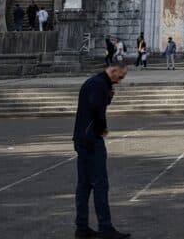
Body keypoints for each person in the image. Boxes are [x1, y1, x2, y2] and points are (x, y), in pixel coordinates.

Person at [73, 56, 131, 239]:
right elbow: (97, 110)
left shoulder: (95, 82)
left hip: (81, 138)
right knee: (100, 184)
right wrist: (102, 129)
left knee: (84, 184)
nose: (120, 81)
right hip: (91, 140)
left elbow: (96, 105)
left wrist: (109, 97)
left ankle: (81, 227)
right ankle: (105, 227)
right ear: (113, 71)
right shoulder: (99, 84)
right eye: (120, 77)